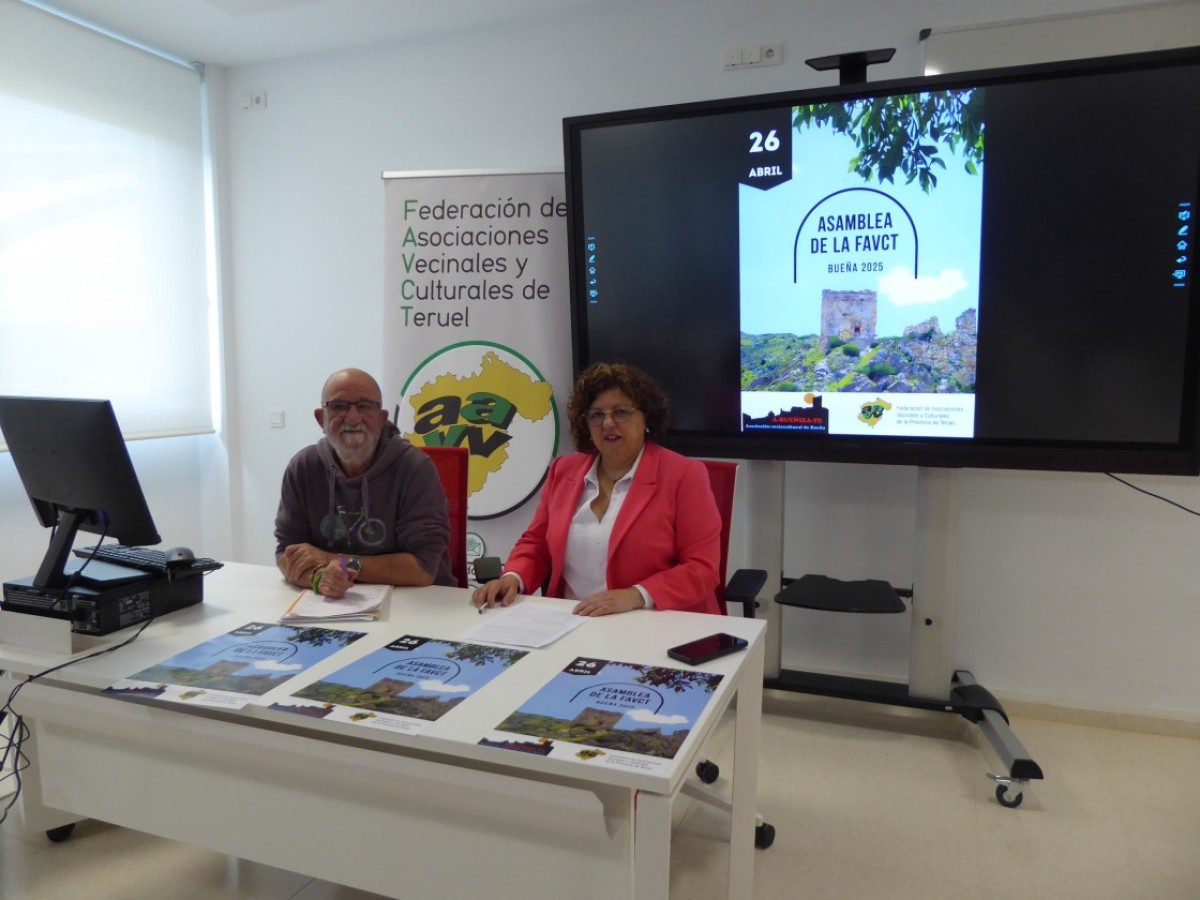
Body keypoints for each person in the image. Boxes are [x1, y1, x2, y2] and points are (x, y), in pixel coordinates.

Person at [471, 362, 721, 616]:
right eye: (597, 415)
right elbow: (536, 544)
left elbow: (702, 568)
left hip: (655, 620)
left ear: (646, 418)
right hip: (574, 619)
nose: (608, 423)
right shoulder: (563, 471)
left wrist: (637, 595)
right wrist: (513, 577)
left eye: (621, 412)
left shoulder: (684, 475)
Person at [275, 367, 456, 597]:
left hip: (417, 603)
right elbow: (287, 553)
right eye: (338, 406)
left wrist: (333, 560)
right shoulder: (303, 468)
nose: (352, 418)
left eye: (364, 406)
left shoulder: (415, 468)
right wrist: (320, 577)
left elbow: (422, 569)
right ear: (321, 419)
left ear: (381, 419)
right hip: (333, 604)